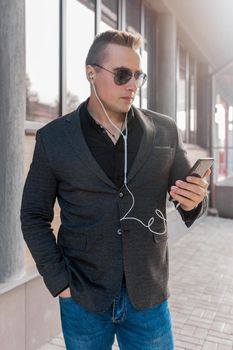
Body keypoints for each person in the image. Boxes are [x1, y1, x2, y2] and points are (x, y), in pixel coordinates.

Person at [21, 30, 210, 350]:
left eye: (138, 75)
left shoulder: (164, 130)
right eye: (122, 74)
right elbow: (33, 215)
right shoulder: (53, 138)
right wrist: (60, 282)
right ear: (90, 73)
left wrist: (195, 200)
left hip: (148, 298)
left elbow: (189, 198)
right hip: (82, 297)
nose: (133, 85)